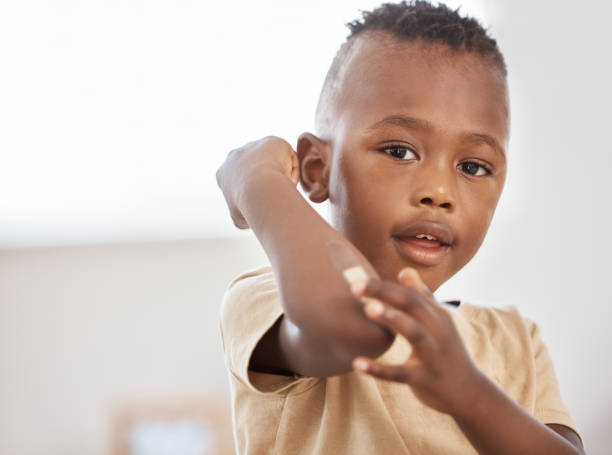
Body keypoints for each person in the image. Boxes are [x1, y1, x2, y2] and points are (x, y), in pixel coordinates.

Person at [215, 1, 584, 453]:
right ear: (316, 169)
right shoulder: (270, 301)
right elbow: (347, 324)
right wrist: (261, 185)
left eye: (472, 165)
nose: (439, 191)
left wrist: (469, 394)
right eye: (399, 152)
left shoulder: (514, 340)